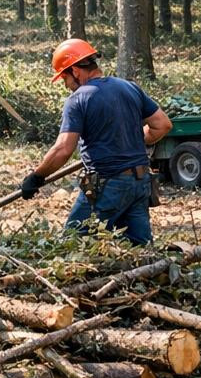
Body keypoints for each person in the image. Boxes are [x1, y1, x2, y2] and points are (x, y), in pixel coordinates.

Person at [18, 39, 172, 245]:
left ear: (75, 71)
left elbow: (63, 149)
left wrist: (36, 177)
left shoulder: (78, 99)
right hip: (140, 183)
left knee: (73, 242)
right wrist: (131, 140)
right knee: (139, 249)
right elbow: (162, 125)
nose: (66, 86)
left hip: (108, 185)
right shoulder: (129, 87)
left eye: (65, 78)